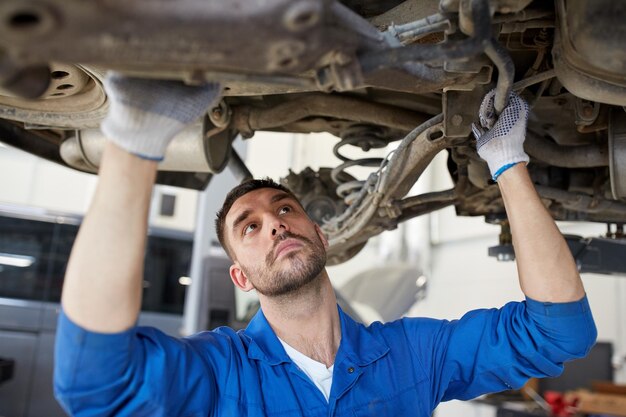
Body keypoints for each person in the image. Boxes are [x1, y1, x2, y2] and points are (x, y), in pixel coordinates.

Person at [54, 73, 596, 417]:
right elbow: (95, 386)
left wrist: (507, 163)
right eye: (249, 226)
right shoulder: (222, 374)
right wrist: (136, 138)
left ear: (324, 234)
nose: (273, 224)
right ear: (240, 276)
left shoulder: (412, 356)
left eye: (285, 209)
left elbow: (559, 332)